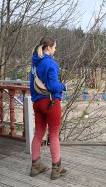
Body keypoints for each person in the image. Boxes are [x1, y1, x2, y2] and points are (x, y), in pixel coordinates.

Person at [29, 37, 67, 180]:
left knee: (38, 133)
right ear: (49, 48)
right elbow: (52, 86)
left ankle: (35, 166)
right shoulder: (51, 63)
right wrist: (63, 86)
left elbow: (32, 84)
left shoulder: (34, 62)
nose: (55, 50)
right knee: (54, 135)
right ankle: (56, 169)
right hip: (50, 103)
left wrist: (35, 99)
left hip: (37, 103)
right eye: (54, 47)